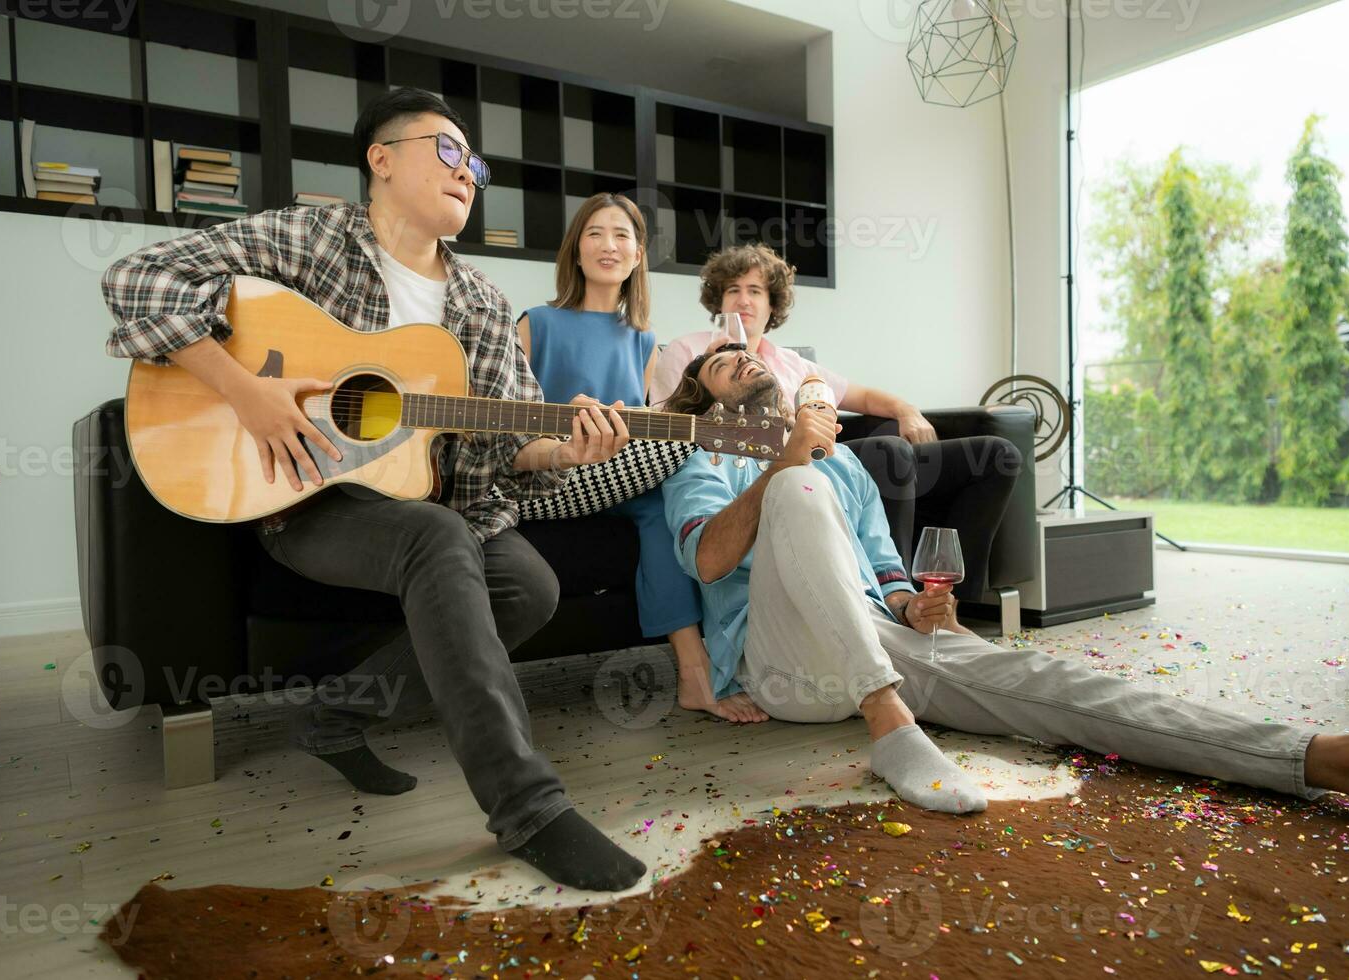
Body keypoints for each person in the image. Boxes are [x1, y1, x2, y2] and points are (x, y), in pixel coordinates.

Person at [101, 88, 648, 892]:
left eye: (477, 164)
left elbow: (508, 445)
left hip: (438, 508)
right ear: (381, 159)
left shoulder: (483, 305)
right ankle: (529, 807)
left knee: (530, 586)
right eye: (449, 151)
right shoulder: (314, 237)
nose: (469, 173)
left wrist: (564, 447)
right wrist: (243, 388)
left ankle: (335, 716)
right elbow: (136, 278)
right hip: (306, 499)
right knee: (437, 535)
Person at [657, 346, 1349, 823]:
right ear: (707, 397)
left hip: (876, 638)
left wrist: (917, 606)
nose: (746, 359)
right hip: (783, 669)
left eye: (750, 353)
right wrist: (786, 461)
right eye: (725, 362)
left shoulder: (849, 461)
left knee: (1051, 683)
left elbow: (885, 571)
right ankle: (891, 728)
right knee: (796, 490)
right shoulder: (704, 461)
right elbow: (708, 562)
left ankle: (1344, 763)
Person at [517, 194, 767, 724]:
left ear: (636, 257)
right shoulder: (536, 324)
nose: (608, 245)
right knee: (681, 455)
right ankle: (706, 670)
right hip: (553, 476)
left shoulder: (644, 341)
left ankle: (700, 675)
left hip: (620, 481)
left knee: (667, 496)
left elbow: (652, 422)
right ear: (576, 251)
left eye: (622, 236)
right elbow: (506, 422)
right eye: (595, 234)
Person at [651, 243, 1020, 594]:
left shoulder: (791, 362)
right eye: (733, 289)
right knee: (888, 451)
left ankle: (952, 604)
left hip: (834, 468)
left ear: (772, 304)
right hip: (769, 468)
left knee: (996, 455)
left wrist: (907, 411)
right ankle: (894, 598)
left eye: (755, 291)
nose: (743, 300)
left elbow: (863, 396)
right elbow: (675, 424)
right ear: (719, 299)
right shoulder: (689, 349)